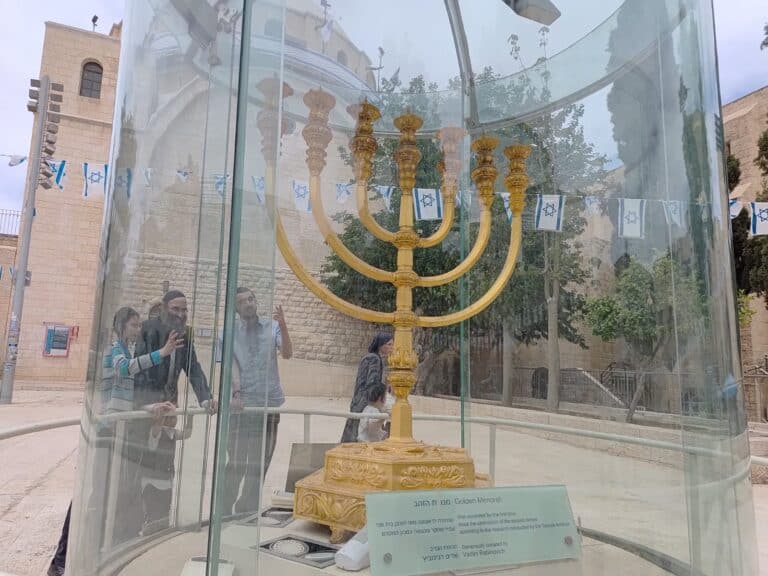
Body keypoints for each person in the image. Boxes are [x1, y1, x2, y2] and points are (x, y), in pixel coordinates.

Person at [47, 307, 181, 576]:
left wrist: (153, 406)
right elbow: (124, 369)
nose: (136, 330)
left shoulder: (124, 350)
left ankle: (91, 552)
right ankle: (62, 559)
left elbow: (123, 402)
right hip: (107, 434)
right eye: (133, 325)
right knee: (93, 494)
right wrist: (161, 354)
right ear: (121, 325)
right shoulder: (115, 352)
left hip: (119, 432)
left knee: (108, 494)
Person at [132, 290, 217, 535]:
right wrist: (147, 405)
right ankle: (137, 522)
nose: (180, 314)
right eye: (176, 309)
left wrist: (205, 398)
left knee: (165, 467)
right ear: (164, 308)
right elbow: (139, 369)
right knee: (141, 466)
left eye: (184, 310)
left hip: (168, 414)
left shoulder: (183, 335)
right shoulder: (148, 329)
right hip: (145, 414)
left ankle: (159, 522)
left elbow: (194, 369)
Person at [223, 287, 292, 516]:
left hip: (268, 403)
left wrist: (283, 325)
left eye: (252, 299)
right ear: (236, 308)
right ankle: (223, 508)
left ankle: (247, 509)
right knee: (236, 460)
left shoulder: (272, 327)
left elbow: (288, 354)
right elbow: (230, 365)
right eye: (243, 302)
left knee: (261, 460)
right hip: (242, 407)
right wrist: (235, 393)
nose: (249, 304)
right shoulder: (228, 333)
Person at [340, 332, 393, 443]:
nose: (391, 348)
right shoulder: (374, 359)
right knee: (361, 430)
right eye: (389, 344)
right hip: (366, 401)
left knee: (354, 427)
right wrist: (382, 395)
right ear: (381, 345)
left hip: (359, 399)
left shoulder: (371, 357)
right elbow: (372, 383)